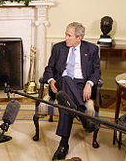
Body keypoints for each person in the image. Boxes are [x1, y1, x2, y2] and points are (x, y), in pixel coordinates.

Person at [43, 22, 101, 160]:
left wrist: (89, 83)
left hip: (81, 86)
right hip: (60, 84)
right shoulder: (58, 48)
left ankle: (63, 145)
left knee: (66, 101)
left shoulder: (92, 49)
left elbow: (97, 71)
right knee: (66, 79)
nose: (66, 38)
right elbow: (49, 69)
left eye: (69, 35)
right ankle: (83, 116)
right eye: (66, 34)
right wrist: (51, 80)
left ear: (79, 38)